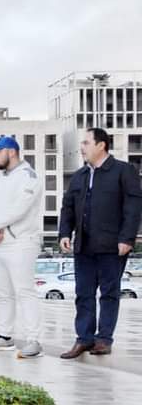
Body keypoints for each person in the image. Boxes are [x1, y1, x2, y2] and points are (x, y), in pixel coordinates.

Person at [58, 127, 142, 359]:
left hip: (112, 246)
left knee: (109, 293)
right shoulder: (80, 175)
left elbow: (133, 208)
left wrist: (127, 238)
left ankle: (104, 339)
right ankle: (84, 339)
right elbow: (67, 207)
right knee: (83, 293)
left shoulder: (124, 171)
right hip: (83, 245)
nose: (81, 148)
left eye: (86, 143)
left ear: (101, 145)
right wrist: (64, 233)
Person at [0, 135, 43, 359]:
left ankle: (33, 339)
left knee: (24, 291)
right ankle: (5, 336)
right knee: (3, 292)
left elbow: (20, 208)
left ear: (12, 152)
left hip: (21, 242)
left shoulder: (28, 176)